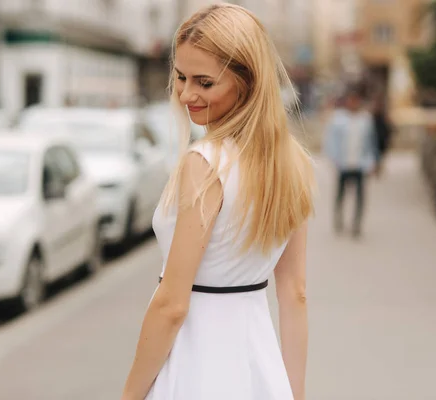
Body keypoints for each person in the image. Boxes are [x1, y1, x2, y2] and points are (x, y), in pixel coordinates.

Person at [122, 4, 315, 400]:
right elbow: (294, 292)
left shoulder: (205, 163)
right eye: (180, 77)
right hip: (260, 369)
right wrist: (294, 393)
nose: (187, 93)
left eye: (205, 83)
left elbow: (172, 305)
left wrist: (128, 396)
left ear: (247, 81)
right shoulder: (295, 163)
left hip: (196, 367)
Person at [323, 87, 377, 238]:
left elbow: (370, 142)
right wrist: (333, 159)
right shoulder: (338, 119)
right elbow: (331, 141)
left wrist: (372, 161)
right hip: (343, 164)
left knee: (360, 196)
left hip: (360, 164)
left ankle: (356, 224)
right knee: (341, 194)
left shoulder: (365, 120)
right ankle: (338, 220)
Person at [372, 97, 392, 177]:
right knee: (376, 156)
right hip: (376, 140)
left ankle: (378, 168)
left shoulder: (383, 117)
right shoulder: (372, 117)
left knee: (379, 156)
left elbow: (387, 129)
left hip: (381, 140)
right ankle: (377, 168)